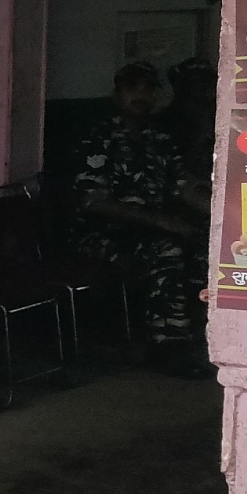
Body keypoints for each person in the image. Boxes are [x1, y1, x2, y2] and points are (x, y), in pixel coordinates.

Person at [72, 61, 209, 377]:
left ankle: (197, 335)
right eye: (132, 88)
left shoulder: (159, 139)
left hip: (152, 229)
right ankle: (170, 346)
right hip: (102, 235)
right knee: (167, 249)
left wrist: (226, 216)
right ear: (117, 93)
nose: (141, 95)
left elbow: (183, 188)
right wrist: (161, 222)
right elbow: (94, 202)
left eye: (148, 88)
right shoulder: (100, 138)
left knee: (206, 243)